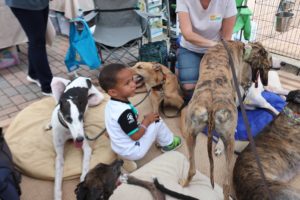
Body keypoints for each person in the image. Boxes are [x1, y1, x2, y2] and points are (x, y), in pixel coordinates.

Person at [98, 63, 182, 161]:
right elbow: (136, 136)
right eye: (127, 83)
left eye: (132, 79)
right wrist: (146, 122)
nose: (133, 84)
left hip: (118, 148)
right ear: (113, 92)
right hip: (133, 151)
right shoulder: (125, 113)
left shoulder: (111, 104)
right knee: (156, 121)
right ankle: (169, 143)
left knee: (145, 121)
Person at [176, 0, 237, 101]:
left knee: (218, 85)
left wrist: (218, 51)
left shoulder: (228, 1)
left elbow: (227, 37)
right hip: (190, 47)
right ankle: (180, 64)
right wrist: (214, 45)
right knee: (188, 87)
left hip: (217, 50)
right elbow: (187, 34)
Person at [5, 0, 53, 95]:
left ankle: (33, 74)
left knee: (38, 41)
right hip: (24, 4)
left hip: (41, 2)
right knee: (37, 42)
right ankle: (48, 85)